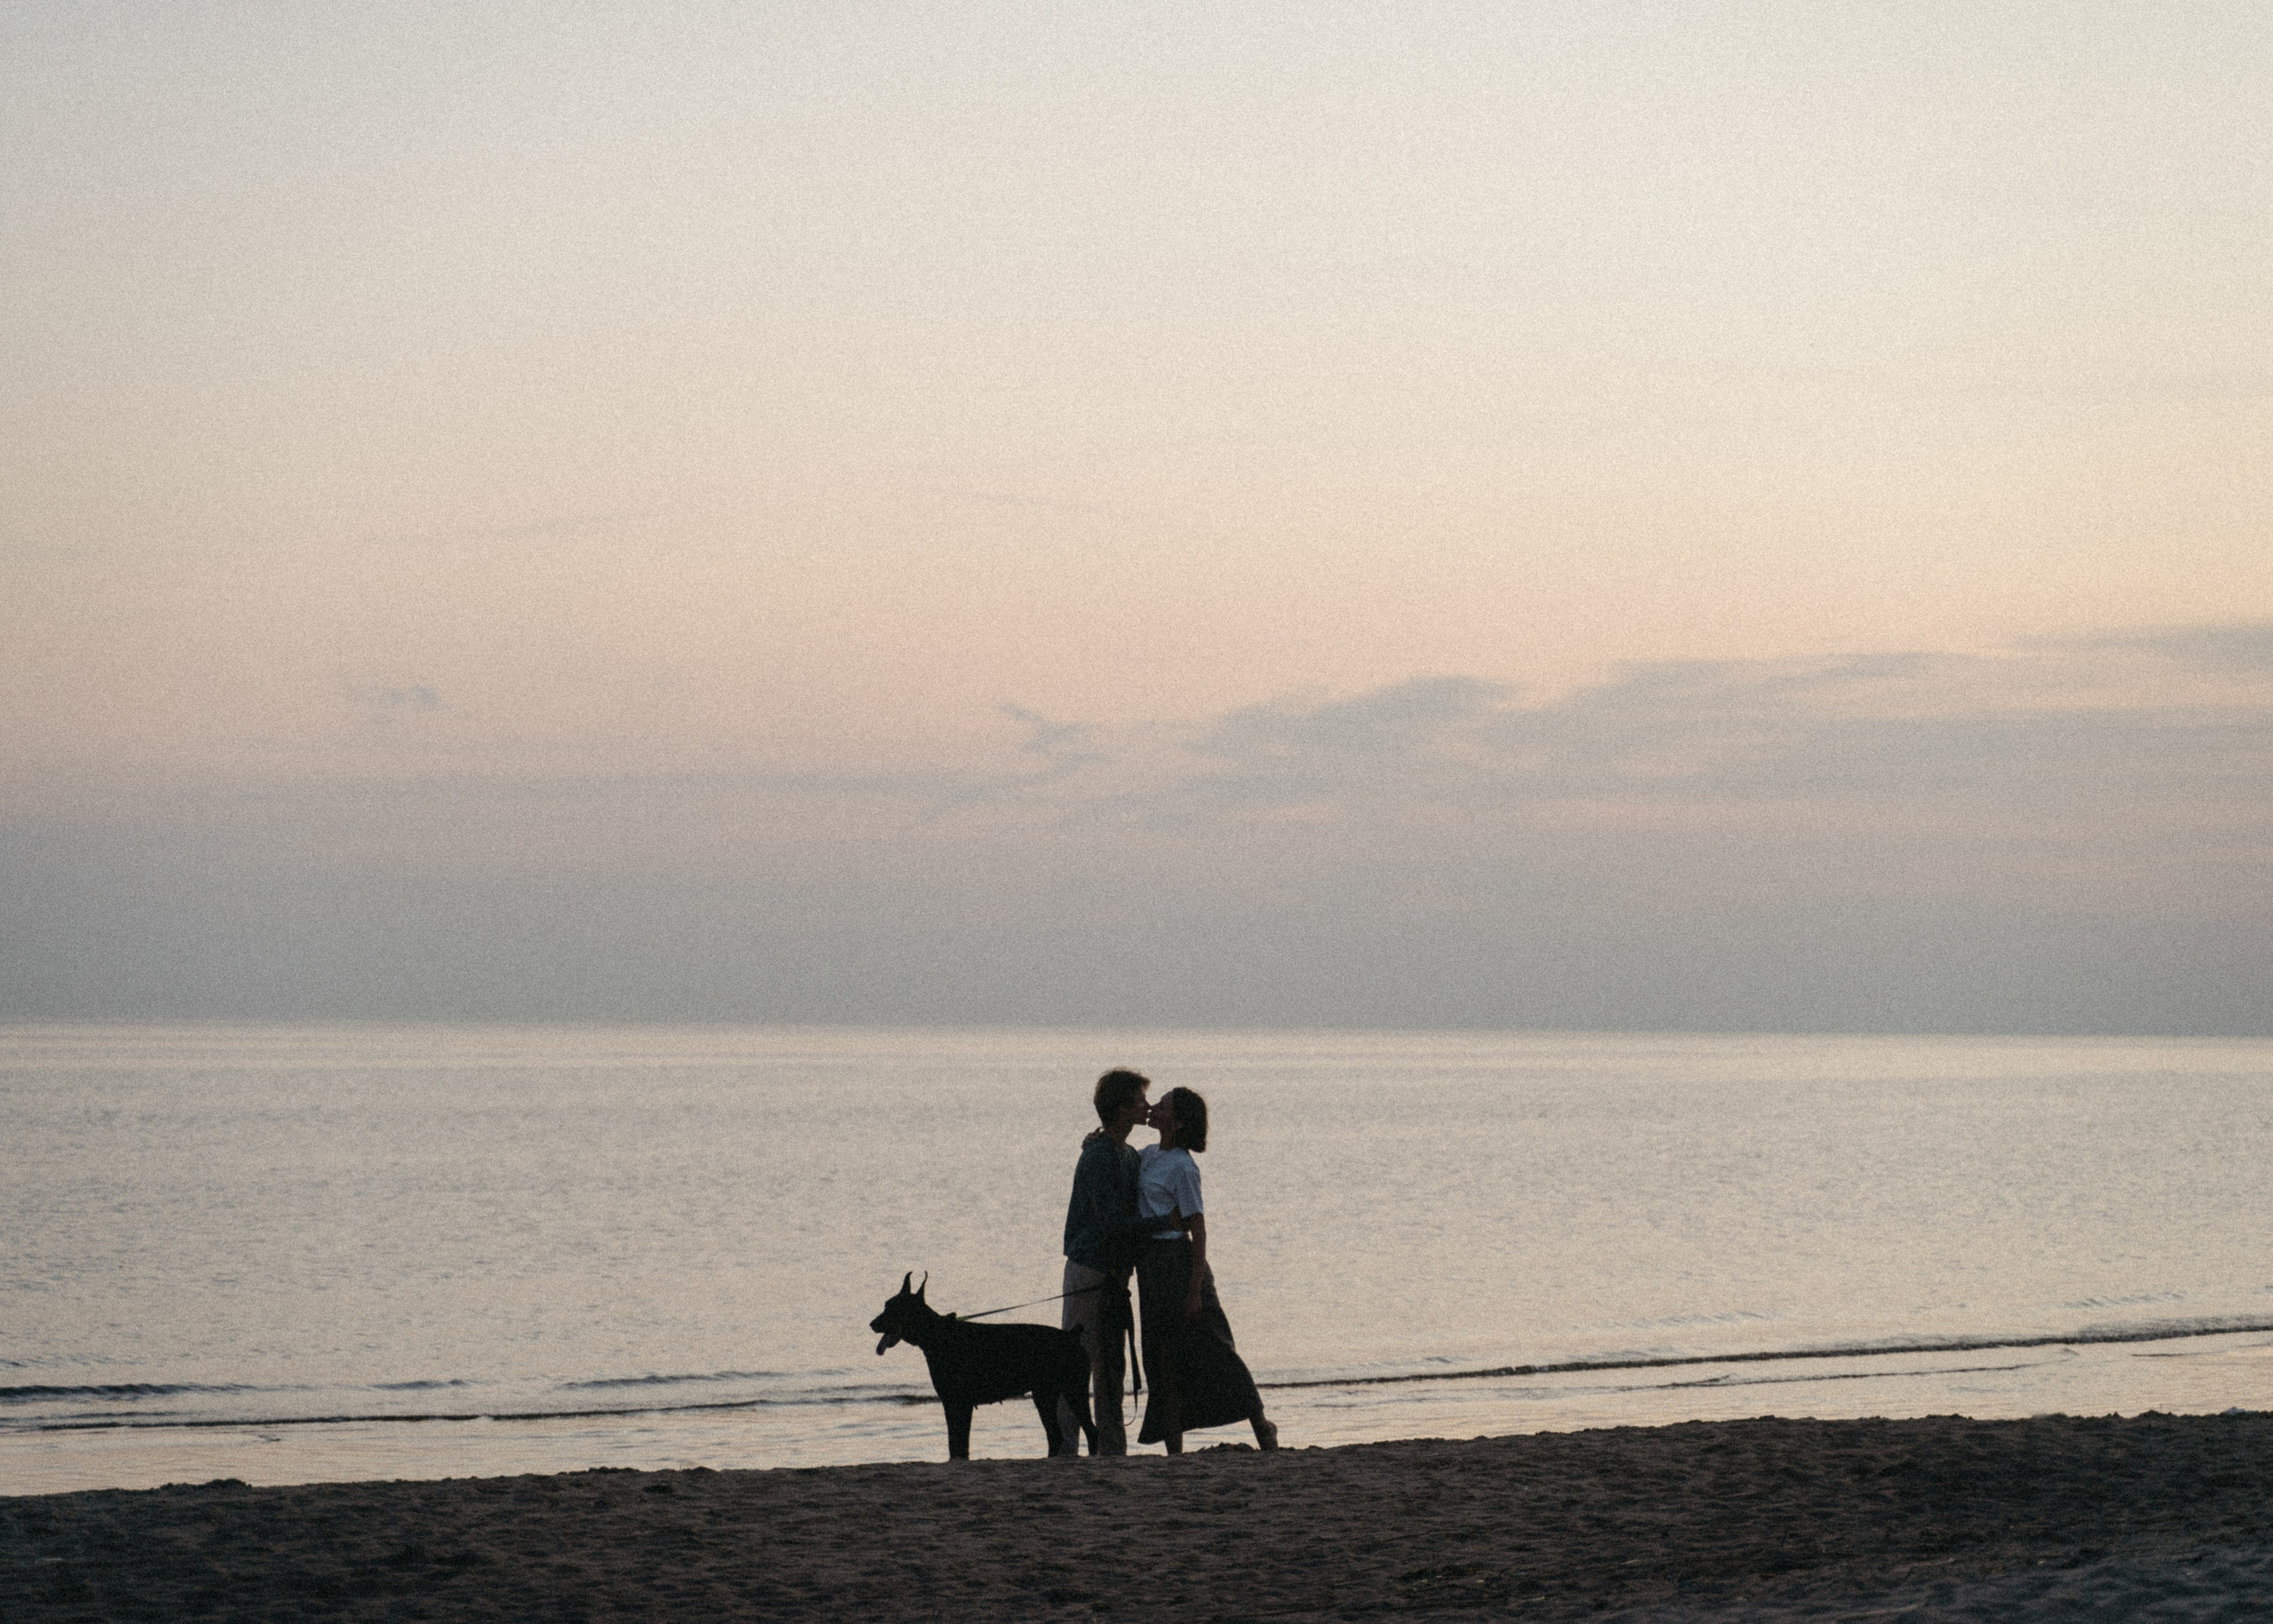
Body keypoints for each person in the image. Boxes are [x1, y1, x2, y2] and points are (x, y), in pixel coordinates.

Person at [1135, 1086, 1279, 1454]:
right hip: (1150, 1267)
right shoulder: (1148, 1155)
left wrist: (1195, 1288)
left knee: (1215, 1351)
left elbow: (1198, 1229)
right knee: (1160, 1357)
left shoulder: (1183, 1167)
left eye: (1163, 1106)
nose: (1155, 1108)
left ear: (1178, 1122)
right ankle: (1174, 1452)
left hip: (1179, 1265)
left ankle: (1262, 1426)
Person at [1057, 1068, 1151, 1454]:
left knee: (1112, 1369)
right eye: (1140, 1100)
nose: (1146, 1106)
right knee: (1076, 1367)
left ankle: (1112, 1451)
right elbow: (1110, 1221)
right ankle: (1064, 1449)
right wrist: (1164, 1224)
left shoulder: (1127, 1154)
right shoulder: (1099, 1156)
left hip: (1114, 1276)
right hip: (1090, 1271)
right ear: (1121, 1107)